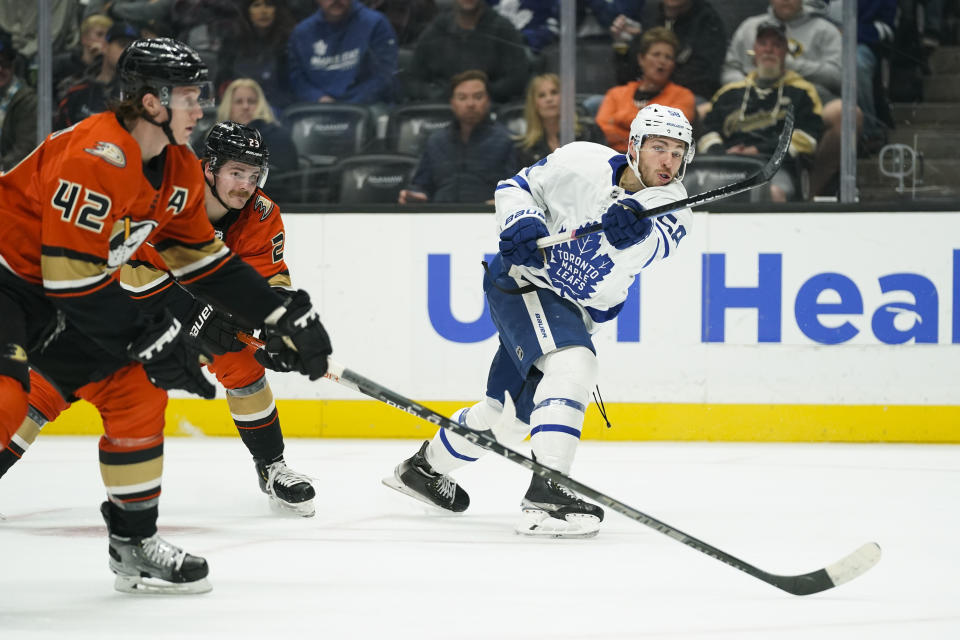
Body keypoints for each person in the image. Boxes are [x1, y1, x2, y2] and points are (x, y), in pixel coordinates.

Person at [0, 38, 333, 595]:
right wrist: (155, 335)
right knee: (12, 399)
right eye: (188, 96)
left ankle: (132, 546)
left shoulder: (175, 167)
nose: (200, 109)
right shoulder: (96, 156)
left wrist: (282, 315)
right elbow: (68, 277)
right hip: (11, 285)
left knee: (135, 394)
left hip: (70, 297)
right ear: (152, 101)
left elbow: (207, 264)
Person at [385, 104, 695, 538]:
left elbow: (647, 248)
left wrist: (632, 232)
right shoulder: (579, 160)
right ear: (634, 147)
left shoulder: (675, 207)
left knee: (506, 416)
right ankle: (549, 493)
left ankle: (422, 469)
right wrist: (522, 220)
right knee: (574, 366)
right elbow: (517, 186)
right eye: (658, 147)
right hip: (524, 282)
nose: (668, 161)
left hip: (574, 311)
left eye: (678, 152)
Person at [4, 121, 317, 517]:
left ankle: (271, 467)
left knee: (243, 362)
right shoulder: (167, 196)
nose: (246, 185)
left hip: (184, 313)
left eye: (254, 175)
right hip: (111, 310)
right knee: (47, 389)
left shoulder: (259, 212)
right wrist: (193, 311)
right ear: (210, 168)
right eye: (236, 172)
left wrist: (276, 324)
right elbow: (129, 271)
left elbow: (270, 277)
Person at [722, 0, 852, 197]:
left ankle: (810, 191)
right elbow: (729, 69)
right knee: (705, 110)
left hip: (810, 99)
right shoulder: (749, 27)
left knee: (845, 113)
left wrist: (786, 64)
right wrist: (754, 85)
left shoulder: (824, 29)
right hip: (752, 98)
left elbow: (838, 76)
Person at [699, 21, 823, 202]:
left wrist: (757, 150)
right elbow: (706, 134)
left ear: (785, 52)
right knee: (700, 195)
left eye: (776, 45)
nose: (769, 50)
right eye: (763, 44)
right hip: (726, 165)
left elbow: (808, 139)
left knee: (773, 194)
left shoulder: (802, 92)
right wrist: (724, 153)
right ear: (754, 51)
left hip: (774, 167)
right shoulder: (729, 92)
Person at [398, 69, 517, 204]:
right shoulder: (436, 141)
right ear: (452, 103)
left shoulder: (508, 140)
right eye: (462, 98)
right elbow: (421, 185)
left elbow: (519, 190)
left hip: (489, 218)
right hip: (440, 218)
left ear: (488, 101)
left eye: (478, 97)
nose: (470, 104)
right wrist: (416, 195)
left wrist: (503, 201)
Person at [404, 0, 531, 104]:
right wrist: (439, 95)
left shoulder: (503, 29)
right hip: (442, 110)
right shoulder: (436, 30)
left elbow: (517, 78)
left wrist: (483, 93)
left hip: (491, 110)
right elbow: (412, 80)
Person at [595, 27, 695, 152]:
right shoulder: (615, 94)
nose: (662, 61)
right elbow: (601, 132)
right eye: (656, 54)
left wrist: (619, 119)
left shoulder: (683, 96)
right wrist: (646, 134)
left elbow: (669, 134)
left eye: (668, 57)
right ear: (641, 59)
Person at [287, 0, 398, 105]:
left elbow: (383, 76)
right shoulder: (301, 33)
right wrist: (318, 98)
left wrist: (346, 106)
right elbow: (298, 78)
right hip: (319, 108)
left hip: (367, 106)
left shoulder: (376, 23)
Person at [635, 0, 726, 113]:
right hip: (645, 91)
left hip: (686, 95)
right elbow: (633, 67)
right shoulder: (650, 13)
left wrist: (662, 87)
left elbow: (703, 76)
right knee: (608, 101)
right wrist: (621, 53)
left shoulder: (708, 20)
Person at [54, 21, 140, 130]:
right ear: (105, 46)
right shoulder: (77, 90)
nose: (127, 52)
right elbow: (59, 135)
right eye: (122, 44)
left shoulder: (139, 97)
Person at [216, 0, 296, 110]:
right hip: (241, 107)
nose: (263, 11)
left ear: (277, 9)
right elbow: (224, 81)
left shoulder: (289, 41)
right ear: (247, 11)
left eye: (269, 5)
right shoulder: (232, 41)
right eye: (256, 5)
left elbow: (290, 87)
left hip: (278, 109)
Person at [514, 72, 602, 167]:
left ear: (564, 98)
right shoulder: (526, 149)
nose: (549, 99)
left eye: (554, 92)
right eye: (542, 95)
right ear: (534, 104)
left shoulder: (590, 131)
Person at [217, 78, 298, 173]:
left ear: (260, 105)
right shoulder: (215, 135)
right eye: (239, 102)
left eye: (251, 101)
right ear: (228, 107)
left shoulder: (279, 138)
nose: (245, 106)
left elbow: (286, 180)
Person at [0, 31, 36, 170]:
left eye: (5, 64)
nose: (0, 69)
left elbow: (24, 149)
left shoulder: (28, 101)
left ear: (14, 65)